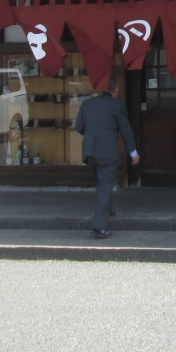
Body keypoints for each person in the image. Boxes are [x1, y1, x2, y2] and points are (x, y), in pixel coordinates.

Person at [73, 75, 139, 238]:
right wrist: (133, 153)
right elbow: (126, 130)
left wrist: (91, 135)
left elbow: (79, 126)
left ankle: (108, 210)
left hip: (89, 151)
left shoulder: (87, 104)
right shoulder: (117, 105)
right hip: (107, 152)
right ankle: (99, 227)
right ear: (116, 90)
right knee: (105, 186)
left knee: (101, 182)